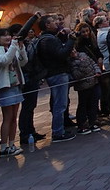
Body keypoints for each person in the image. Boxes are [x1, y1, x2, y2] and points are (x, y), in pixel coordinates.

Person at [36, 14, 76, 143]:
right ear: (47, 25)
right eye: (53, 21)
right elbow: (61, 54)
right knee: (60, 103)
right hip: (57, 73)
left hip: (54, 73)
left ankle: (60, 129)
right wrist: (71, 40)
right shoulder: (49, 40)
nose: (56, 22)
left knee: (59, 102)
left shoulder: (47, 38)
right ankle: (58, 132)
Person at [0, 28, 27, 156]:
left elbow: (23, 62)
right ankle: (3, 147)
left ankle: (12, 144)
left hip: (16, 85)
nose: (7, 38)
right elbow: (5, 60)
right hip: (6, 87)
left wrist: (21, 48)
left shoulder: (13, 48)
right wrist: (13, 46)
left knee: (14, 117)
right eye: (3, 36)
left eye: (8, 35)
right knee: (7, 117)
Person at [69, 46, 101, 135]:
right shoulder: (71, 62)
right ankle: (82, 125)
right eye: (71, 51)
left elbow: (93, 63)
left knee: (94, 103)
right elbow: (76, 75)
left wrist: (97, 71)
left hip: (94, 82)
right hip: (83, 86)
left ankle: (93, 122)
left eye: (74, 49)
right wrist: (82, 64)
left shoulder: (83, 54)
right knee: (83, 105)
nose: (73, 51)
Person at [94, 15, 110, 117]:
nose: (108, 22)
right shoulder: (102, 34)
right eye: (106, 21)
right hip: (107, 62)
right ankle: (106, 108)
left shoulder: (107, 31)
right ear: (100, 24)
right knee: (107, 88)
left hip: (109, 61)